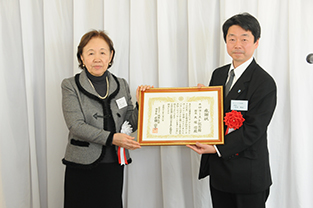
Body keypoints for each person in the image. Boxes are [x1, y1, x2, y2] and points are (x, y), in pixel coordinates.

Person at [187, 13, 277, 208]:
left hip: (248, 173)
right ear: (226, 41)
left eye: (244, 39)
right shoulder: (218, 75)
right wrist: (201, 100)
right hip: (220, 171)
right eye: (232, 38)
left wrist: (217, 148)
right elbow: (213, 115)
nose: (238, 44)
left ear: (256, 43)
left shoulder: (264, 82)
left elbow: (254, 129)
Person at [61, 30, 152, 208]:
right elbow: (76, 125)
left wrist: (142, 104)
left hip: (113, 164)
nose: (97, 58)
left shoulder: (121, 84)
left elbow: (128, 123)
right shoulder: (70, 85)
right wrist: (112, 138)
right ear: (82, 57)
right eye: (91, 53)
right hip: (81, 164)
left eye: (103, 52)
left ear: (110, 56)